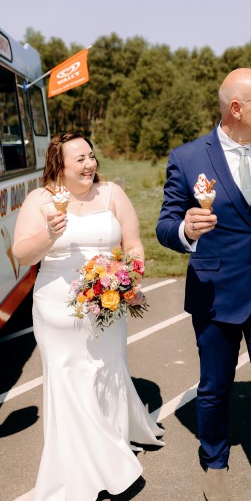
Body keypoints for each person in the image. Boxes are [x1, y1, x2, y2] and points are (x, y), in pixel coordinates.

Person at [156, 68, 251, 501]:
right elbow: (165, 224)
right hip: (216, 293)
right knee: (214, 389)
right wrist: (184, 228)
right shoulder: (187, 159)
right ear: (237, 109)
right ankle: (215, 460)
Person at [13, 132, 164, 501]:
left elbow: (133, 244)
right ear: (58, 165)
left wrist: (130, 278)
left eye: (91, 156)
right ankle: (84, 467)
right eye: (79, 159)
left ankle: (112, 440)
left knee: (106, 371)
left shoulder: (111, 193)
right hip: (57, 308)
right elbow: (21, 254)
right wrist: (49, 234)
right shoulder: (40, 199)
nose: (89, 164)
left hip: (107, 304)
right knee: (68, 382)